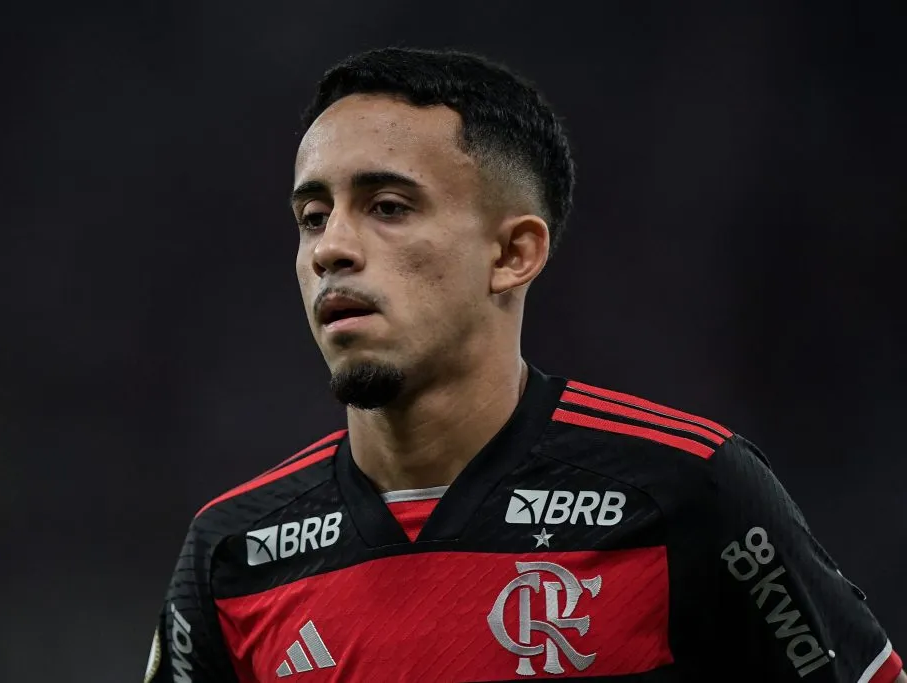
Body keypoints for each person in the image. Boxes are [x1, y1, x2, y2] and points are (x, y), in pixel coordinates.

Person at [144, 47, 903, 683]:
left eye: (388, 206)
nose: (329, 248)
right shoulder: (232, 553)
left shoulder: (688, 490)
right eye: (313, 217)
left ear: (513, 253)